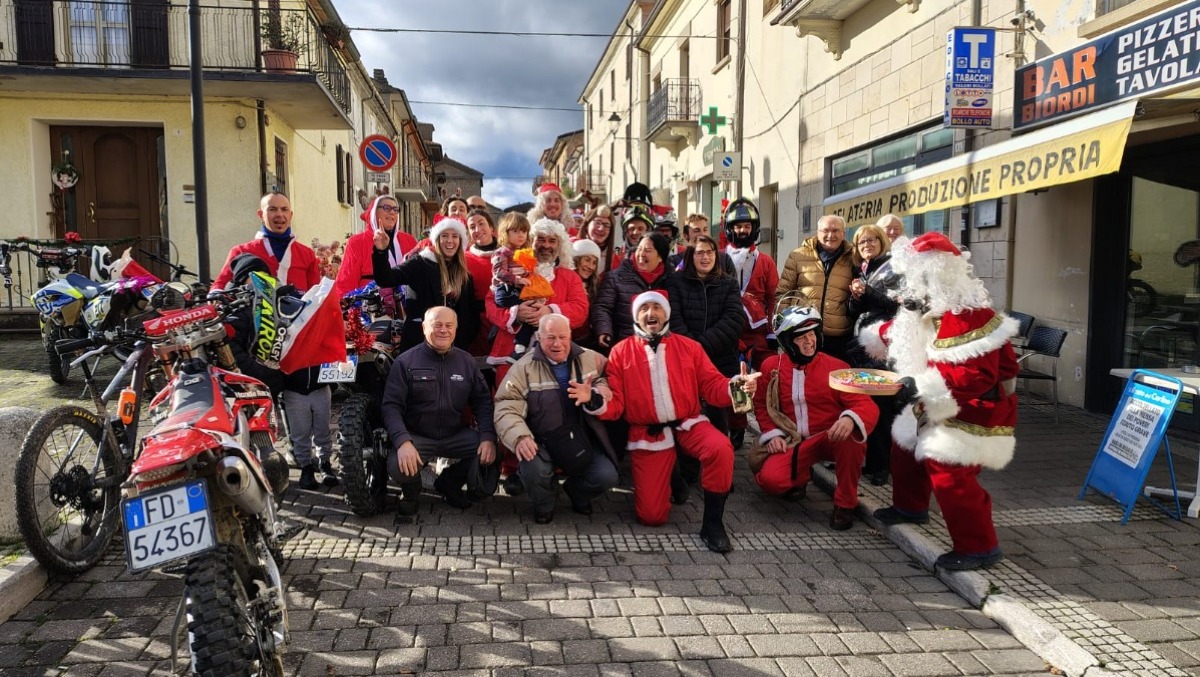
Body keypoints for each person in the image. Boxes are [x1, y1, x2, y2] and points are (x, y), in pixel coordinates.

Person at [859, 232, 1019, 571]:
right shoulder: (931, 307)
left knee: (949, 470)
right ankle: (910, 507)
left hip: (977, 408)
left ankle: (979, 546)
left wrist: (917, 386)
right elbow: (905, 333)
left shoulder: (969, 316)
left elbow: (976, 378)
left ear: (935, 277)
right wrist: (875, 332)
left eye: (914, 281)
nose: (906, 292)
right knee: (903, 447)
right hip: (939, 400)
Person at [598, 291, 759, 553]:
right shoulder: (620, 352)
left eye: (657, 308)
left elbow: (713, 385)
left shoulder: (689, 347)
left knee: (720, 448)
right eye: (644, 309)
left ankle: (712, 524)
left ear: (666, 313)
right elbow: (615, 406)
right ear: (636, 316)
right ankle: (673, 476)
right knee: (652, 517)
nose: (651, 314)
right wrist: (594, 400)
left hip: (688, 423)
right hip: (648, 434)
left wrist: (738, 387)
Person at [750, 306, 878, 530]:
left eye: (812, 335)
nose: (809, 342)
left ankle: (845, 503)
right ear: (787, 342)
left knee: (853, 436)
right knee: (770, 480)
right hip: (794, 441)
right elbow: (761, 404)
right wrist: (772, 435)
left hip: (830, 438)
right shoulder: (771, 367)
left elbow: (864, 404)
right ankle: (799, 478)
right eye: (800, 338)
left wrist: (850, 418)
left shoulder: (837, 368)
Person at [494, 314, 619, 523]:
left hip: (579, 440)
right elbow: (506, 405)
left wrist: (595, 394)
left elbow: (608, 379)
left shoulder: (591, 358)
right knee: (533, 468)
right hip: (541, 441)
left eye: (562, 337)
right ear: (539, 337)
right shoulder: (523, 367)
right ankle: (545, 503)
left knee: (607, 476)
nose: (557, 343)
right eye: (550, 337)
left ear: (570, 335)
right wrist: (519, 437)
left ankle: (576, 492)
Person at [380, 306, 497, 515]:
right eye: (437, 325)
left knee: (491, 452)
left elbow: (482, 401)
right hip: (417, 437)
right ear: (424, 328)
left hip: (455, 435)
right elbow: (391, 407)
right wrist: (402, 441)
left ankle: (449, 483)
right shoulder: (405, 362)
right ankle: (411, 488)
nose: (443, 330)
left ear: (456, 329)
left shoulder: (466, 362)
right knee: (398, 466)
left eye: (449, 325)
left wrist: (487, 436)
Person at [486, 218, 589, 371]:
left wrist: (550, 311)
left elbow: (580, 309)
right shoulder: (513, 271)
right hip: (509, 352)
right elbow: (490, 304)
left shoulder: (569, 276)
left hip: (555, 355)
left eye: (552, 241)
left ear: (559, 246)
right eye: (540, 239)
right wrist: (516, 313)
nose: (546, 245)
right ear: (530, 241)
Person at [371, 217, 478, 353]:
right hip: (419, 345)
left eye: (455, 236)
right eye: (444, 236)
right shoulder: (420, 263)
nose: (450, 241)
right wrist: (381, 252)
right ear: (437, 240)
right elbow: (386, 279)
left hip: (454, 350)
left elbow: (471, 316)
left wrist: (464, 339)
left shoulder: (465, 276)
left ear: (460, 241)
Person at [846, 223, 900, 486]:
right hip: (862, 347)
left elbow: (895, 306)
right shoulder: (863, 270)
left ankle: (882, 467)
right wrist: (855, 298)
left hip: (882, 348)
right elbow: (854, 311)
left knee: (881, 407)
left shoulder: (892, 268)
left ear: (881, 241)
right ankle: (873, 462)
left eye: (871, 240)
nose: (867, 245)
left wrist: (867, 292)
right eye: (861, 242)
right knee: (866, 406)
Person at [722, 198, 779, 448]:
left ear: (753, 228)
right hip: (731, 332)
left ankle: (770, 428)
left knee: (765, 382)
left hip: (759, 333)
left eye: (746, 226)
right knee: (737, 381)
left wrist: (773, 333)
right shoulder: (719, 258)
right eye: (737, 226)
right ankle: (737, 428)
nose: (742, 231)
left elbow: (774, 297)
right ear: (729, 229)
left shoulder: (765, 261)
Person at [777, 214, 855, 361]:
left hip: (839, 338)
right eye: (826, 230)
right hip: (803, 333)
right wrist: (783, 329)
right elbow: (783, 293)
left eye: (836, 230)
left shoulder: (854, 258)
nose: (830, 235)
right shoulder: (797, 256)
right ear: (817, 232)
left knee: (833, 380)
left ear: (843, 233)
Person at [211, 193, 321, 293]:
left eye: (284, 209)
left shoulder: (307, 254)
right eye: (272, 209)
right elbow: (219, 285)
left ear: (291, 215)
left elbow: (316, 295)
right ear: (260, 214)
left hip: (299, 314)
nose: (279, 214)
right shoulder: (241, 252)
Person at [592, 231, 676, 350]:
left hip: (663, 345)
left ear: (660, 257)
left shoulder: (672, 280)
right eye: (639, 249)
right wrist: (604, 330)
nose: (641, 254)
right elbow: (602, 307)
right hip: (624, 344)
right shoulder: (616, 277)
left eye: (647, 250)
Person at [334, 195, 417, 299]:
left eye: (396, 209)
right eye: (387, 208)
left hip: (407, 306)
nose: (392, 212)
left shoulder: (409, 240)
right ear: (374, 212)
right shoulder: (358, 242)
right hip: (369, 308)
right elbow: (346, 282)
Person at [570, 238, 603, 347]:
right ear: (576, 259)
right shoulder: (564, 280)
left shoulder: (594, 286)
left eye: (594, 263)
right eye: (587, 260)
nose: (590, 267)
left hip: (585, 341)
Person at [579, 205, 616, 276]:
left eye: (606, 225)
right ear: (587, 225)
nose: (601, 228)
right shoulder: (571, 248)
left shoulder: (614, 260)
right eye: (597, 223)